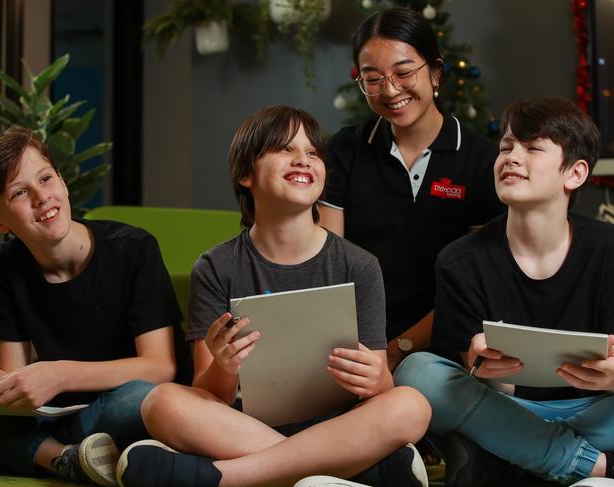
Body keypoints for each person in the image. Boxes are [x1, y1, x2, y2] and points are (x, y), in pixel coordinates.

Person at [115, 106, 432, 487]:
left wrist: (377, 377)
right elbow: (208, 391)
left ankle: (223, 479)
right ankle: (359, 473)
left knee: (411, 405)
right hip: (241, 426)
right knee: (161, 402)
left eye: (313, 152)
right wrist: (225, 365)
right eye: (284, 149)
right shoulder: (216, 267)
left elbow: (378, 387)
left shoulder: (359, 265)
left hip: (337, 423)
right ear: (246, 174)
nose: (303, 159)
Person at [394, 97, 614, 486]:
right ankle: (583, 464)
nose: (511, 157)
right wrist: (481, 368)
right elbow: (478, 378)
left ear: (575, 173)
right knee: (417, 372)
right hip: (505, 408)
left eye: (532, 148)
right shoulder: (459, 260)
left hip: (599, 413)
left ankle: (519, 455)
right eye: (506, 147)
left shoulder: (608, 248)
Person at [0, 127, 185, 485]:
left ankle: (43, 453)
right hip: (61, 414)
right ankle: (68, 459)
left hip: (127, 405)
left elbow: (160, 367)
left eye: (46, 179)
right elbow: (10, 375)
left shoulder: (134, 248)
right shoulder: (7, 266)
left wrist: (59, 374)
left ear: (63, 182)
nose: (42, 197)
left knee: (141, 397)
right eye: (20, 192)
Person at [319, 6, 504, 372]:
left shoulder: (481, 160)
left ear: (435, 73)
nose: (390, 91)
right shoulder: (346, 149)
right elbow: (329, 267)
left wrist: (397, 350)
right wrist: (362, 352)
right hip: (353, 341)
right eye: (372, 79)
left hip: (444, 342)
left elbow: (474, 285)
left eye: (404, 73)